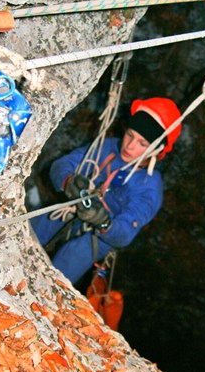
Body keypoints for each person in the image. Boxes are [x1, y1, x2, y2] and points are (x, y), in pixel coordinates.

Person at [31, 97, 182, 285]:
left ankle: (45, 290)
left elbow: (125, 233)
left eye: (142, 143)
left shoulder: (149, 186)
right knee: (35, 227)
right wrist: (68, 181)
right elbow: (62, 164)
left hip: (99, 237)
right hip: (72, 209)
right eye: (130, 135)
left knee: (71, 259)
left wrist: (103, 222)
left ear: (156, 150)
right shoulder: (108, 147)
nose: (129, 146)